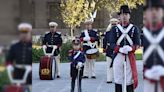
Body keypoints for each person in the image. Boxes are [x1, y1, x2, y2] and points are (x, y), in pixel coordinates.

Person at [110, 5, 140, 92]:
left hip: (129, 56)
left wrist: (131, 48)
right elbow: (111, 44)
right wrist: (119, 49)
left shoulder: (134, 28)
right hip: (118, 55)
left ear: (129, 16)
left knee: (129, 80)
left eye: (126, 14)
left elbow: (138, 44)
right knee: (118, 79)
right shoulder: (114, 29)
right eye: (122, 14)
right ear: (119, 16)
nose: (124, 16)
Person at [143, 0, 164, 92]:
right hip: (147, 81)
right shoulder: (144, 33)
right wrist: (145, 71)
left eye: (157, 9)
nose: (154, 12)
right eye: (151, 9)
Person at [103, 18, 119, 83]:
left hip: (117, 50)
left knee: (117, 66)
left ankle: (117, 79)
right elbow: (104, 41)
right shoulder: (107, 33)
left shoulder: (120, 33)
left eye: (115, 24)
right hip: (109, 50)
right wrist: (104, 49)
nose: (114, 26)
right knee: (109, 65)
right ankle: (109, 78)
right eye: (112, 24)